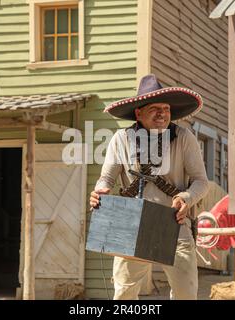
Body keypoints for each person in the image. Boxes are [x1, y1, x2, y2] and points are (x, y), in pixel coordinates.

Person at [89, 74, 209, 300]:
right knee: (124, 294)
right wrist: (100, 192)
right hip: (131, 223)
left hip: (174, 222)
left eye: (166, 108)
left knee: (186, 294)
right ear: (138, 113)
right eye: (155, 108)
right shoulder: (120, 139)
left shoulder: (184, 138)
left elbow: (201, 182)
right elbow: (106, 179)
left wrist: (186, 198)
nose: (162, 113)